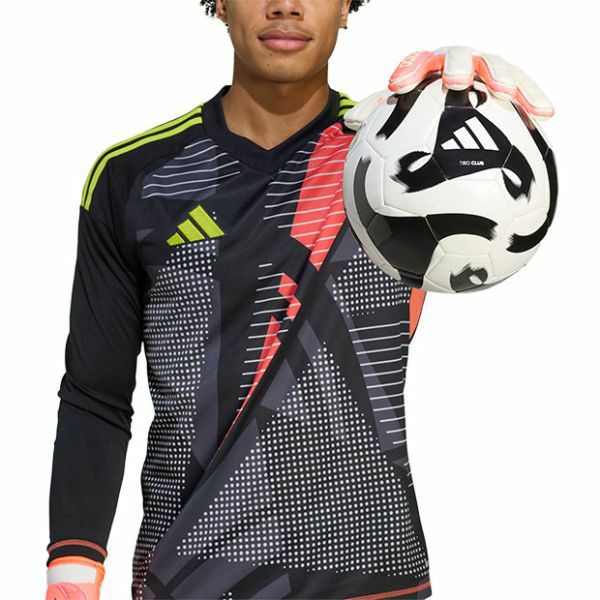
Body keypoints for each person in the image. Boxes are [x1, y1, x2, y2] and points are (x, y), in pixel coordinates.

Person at [46, 1, 553, 598]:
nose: (285, 4)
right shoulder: (135, 177)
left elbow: (493, 194)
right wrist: (72, 569)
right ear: (220, 3)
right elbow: (97, 394)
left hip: (374, 579)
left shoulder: (395, 166)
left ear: (346, 6)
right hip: (189, 581)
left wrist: (463, 106)